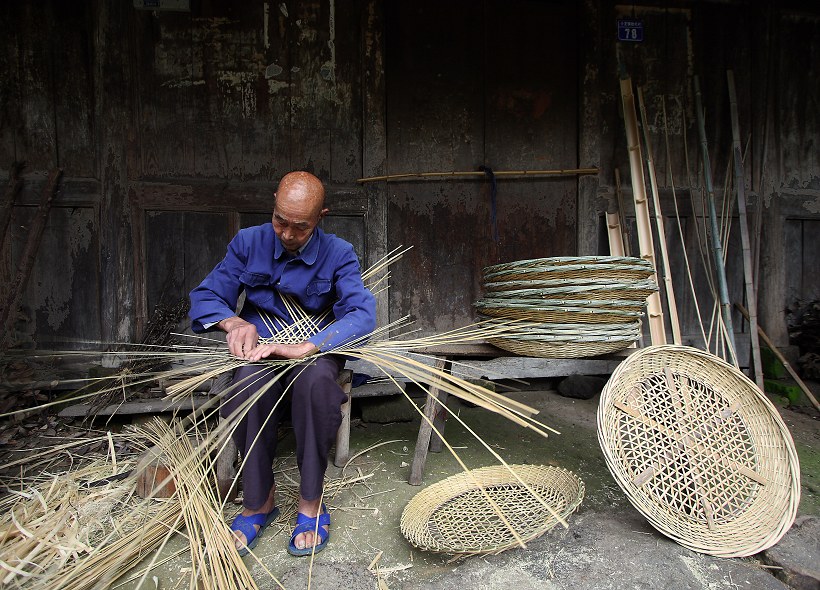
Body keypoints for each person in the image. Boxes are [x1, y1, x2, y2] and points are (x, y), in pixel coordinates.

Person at [188, 171, 376, 556]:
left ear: (321, 217)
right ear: (274, 202)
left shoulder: (339, 253)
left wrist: (312, 345)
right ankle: (259, 500)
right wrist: (234, 321)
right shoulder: (248, 243)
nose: (287, 234)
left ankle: (311, 501)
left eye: (301, 227)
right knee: (245, 385)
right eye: (280, 221)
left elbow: (361, 315)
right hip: (261, 352)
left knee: (317, 387)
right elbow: (206, 296)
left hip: (313, 353)